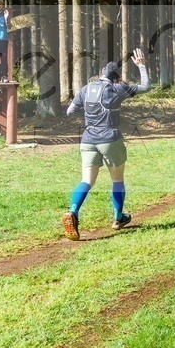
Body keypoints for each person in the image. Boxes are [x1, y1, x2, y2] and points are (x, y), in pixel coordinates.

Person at [62, 48, 151, 241]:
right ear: (117, 77)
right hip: (110, 138)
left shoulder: (86, 89)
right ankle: (118, 218)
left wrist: (88, 118)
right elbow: (146, 87)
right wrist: (141, 66)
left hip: (88, 139)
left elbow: (70, 111)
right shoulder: (117, 88)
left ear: (101, 73)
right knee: (117, 180)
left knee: (87, 180)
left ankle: (72, 212)